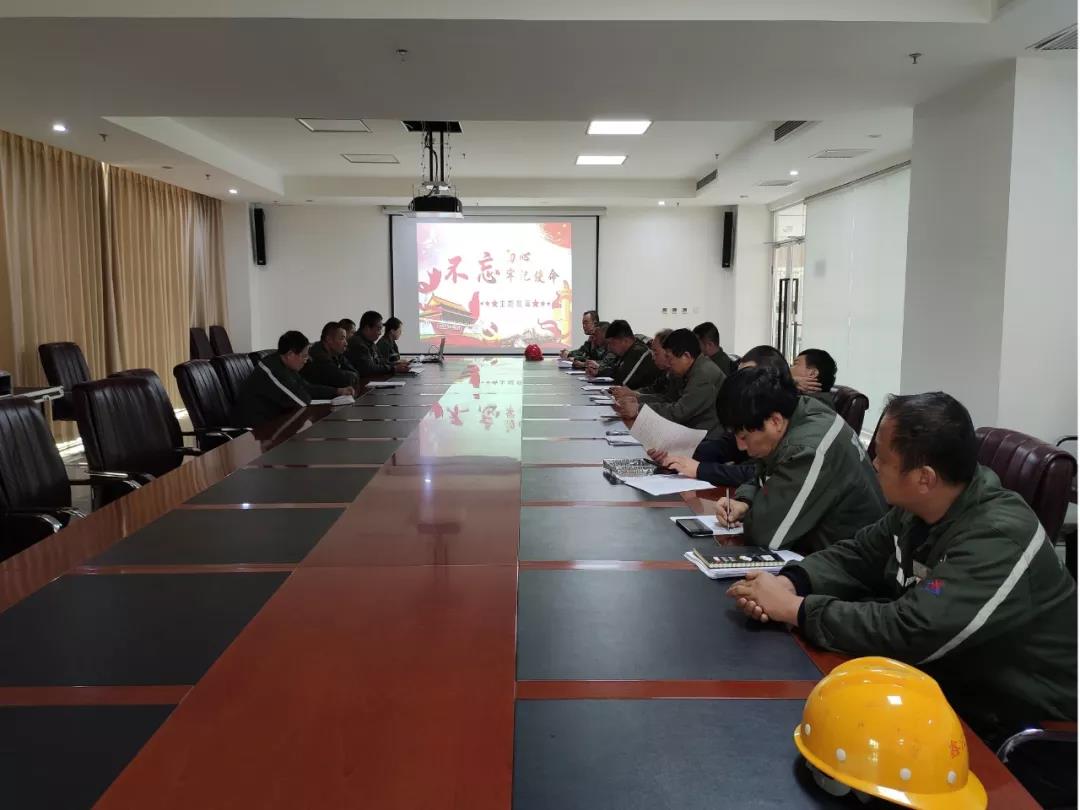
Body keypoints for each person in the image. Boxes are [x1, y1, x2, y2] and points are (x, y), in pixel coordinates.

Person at [726, 392, 1077, 752]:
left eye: (883, 457)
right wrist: (791, 581)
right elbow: (860, 553)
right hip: (946, 690)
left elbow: (909, 630)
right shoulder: (922, 506)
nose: (873, 463)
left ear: (924, 478)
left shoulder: (998, 537)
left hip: (1021, 734)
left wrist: (794, 609)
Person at [708, 367, 886, 553]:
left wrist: (753, 510)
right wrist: (745, 501)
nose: (740, 447)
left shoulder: (807, 450)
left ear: (775, 421)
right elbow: (765, 477)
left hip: (850, 560)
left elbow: (766, 535)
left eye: (744, 437)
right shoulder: (800, 410)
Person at [650, 344, 792, 486]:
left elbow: (759, 475)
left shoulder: (790, 433)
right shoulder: (747, 416)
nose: (739, 386)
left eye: (748, 377)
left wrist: (700, 469)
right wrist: (676, 453)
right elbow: (725, 446)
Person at [614, 328, 725, 438]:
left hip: (706, 437)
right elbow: (668, 399)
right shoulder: (684, 370)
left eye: (669, 357)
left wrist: (639, 409)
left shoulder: (704, 375)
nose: (667, 363)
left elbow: (679, 412)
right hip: (687, 428)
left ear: (686, 356)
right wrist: (637, 400)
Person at [231, 330, 353, 427]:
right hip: (255, 431)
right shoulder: (274, 370)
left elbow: (306, 388)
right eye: (304, 356)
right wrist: (304, 392)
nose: (306, 360)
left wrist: (337, 391)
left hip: (274, 423)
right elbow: (301, 401)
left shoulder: (284, 364)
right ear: (290, 354)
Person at [589, 319, 660, 388]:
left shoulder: (638, 352)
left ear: (625, 341)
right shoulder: (626, 351)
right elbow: (616, 371)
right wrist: (598, 372)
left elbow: (623, 383)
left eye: (612, 343)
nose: (609, 348)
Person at [611, 328, 671, 402]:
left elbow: (667, 400)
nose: (652, 357)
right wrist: (632, 393)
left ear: (668, 352)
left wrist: (635, 396)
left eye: (655, 352)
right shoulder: (666, 372)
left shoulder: (677, 375)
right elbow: (653, 389)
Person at [346, 310, 411, 377]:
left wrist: (396, 364)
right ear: (367, 328)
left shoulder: (370, 342)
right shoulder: (357, 343)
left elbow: (381, 361)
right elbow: (369, 369)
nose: (380, 333)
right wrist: (394, 368)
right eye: (379, 329)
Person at [303, 321, 359, 389]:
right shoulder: (319, 356)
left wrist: (352, 376)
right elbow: (342, 380)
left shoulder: (335, 352)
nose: (346, 343)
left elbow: (354, 372)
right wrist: (352, 376)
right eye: (342, 338)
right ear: (329, 339)